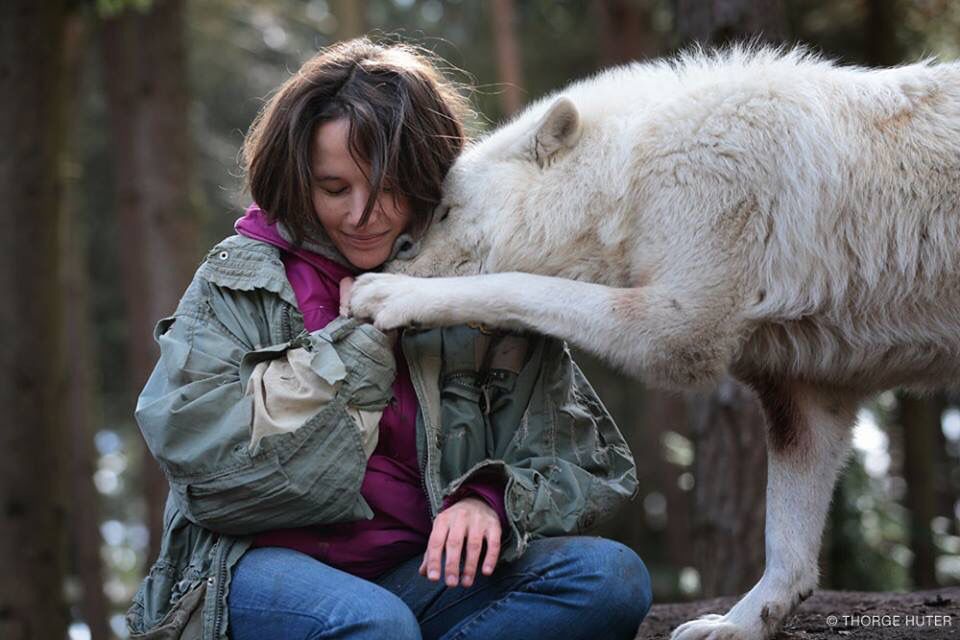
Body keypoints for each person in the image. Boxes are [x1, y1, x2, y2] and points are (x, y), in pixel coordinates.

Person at [126, 38, 652, 640]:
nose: (362, 214)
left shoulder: (474, 282)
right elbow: (200, 465)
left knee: (609, 577)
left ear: (428, 176)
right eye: (334, 188)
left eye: (388, 188)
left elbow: (580, 459)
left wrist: (490, 499)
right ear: (298, 179)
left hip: (417, 575)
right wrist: (360, 345)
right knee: (373, 623)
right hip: (251, 573)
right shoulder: (237, 279)